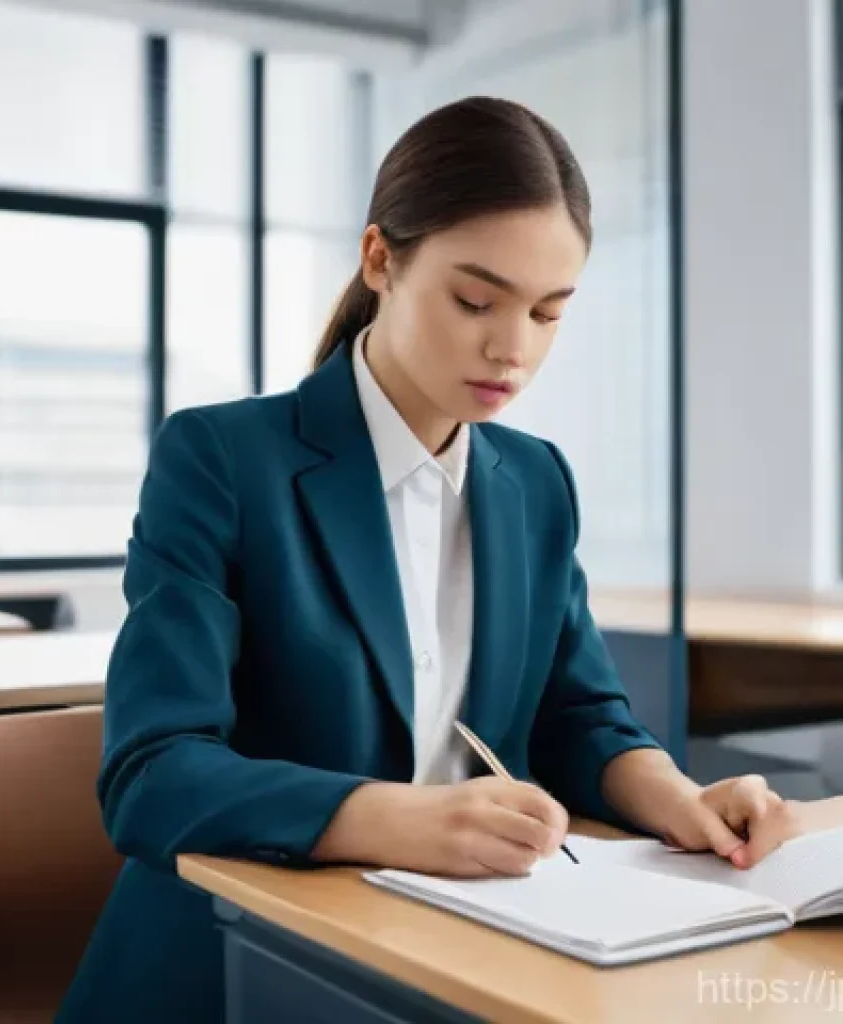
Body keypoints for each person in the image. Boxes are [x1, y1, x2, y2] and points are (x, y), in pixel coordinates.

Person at [58, 96, 796, 1022]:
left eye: (548, 312)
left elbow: (580, 716)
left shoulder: (534, 481)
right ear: (382, 260)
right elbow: (151, 776)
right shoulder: (222, 460)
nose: (512, 349)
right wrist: (389, 816)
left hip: (470, 945)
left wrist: (679, 798)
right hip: (236, 956)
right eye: (476, 300)